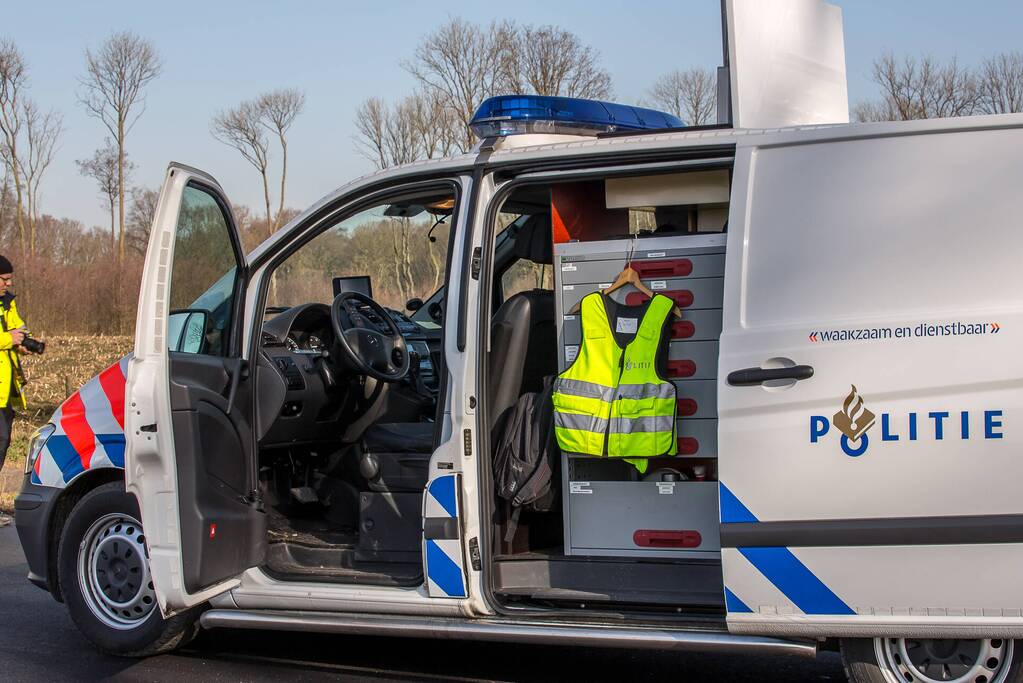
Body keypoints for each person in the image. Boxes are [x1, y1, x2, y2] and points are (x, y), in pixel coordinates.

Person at [0, 255, 27, 473]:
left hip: (6, 389)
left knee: (3, 441)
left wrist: (23, 342)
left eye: (9, 279)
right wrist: (10, 339)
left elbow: (18, 327)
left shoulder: (8, 302)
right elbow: (8, 335)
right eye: (4, 279)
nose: (8, 283)